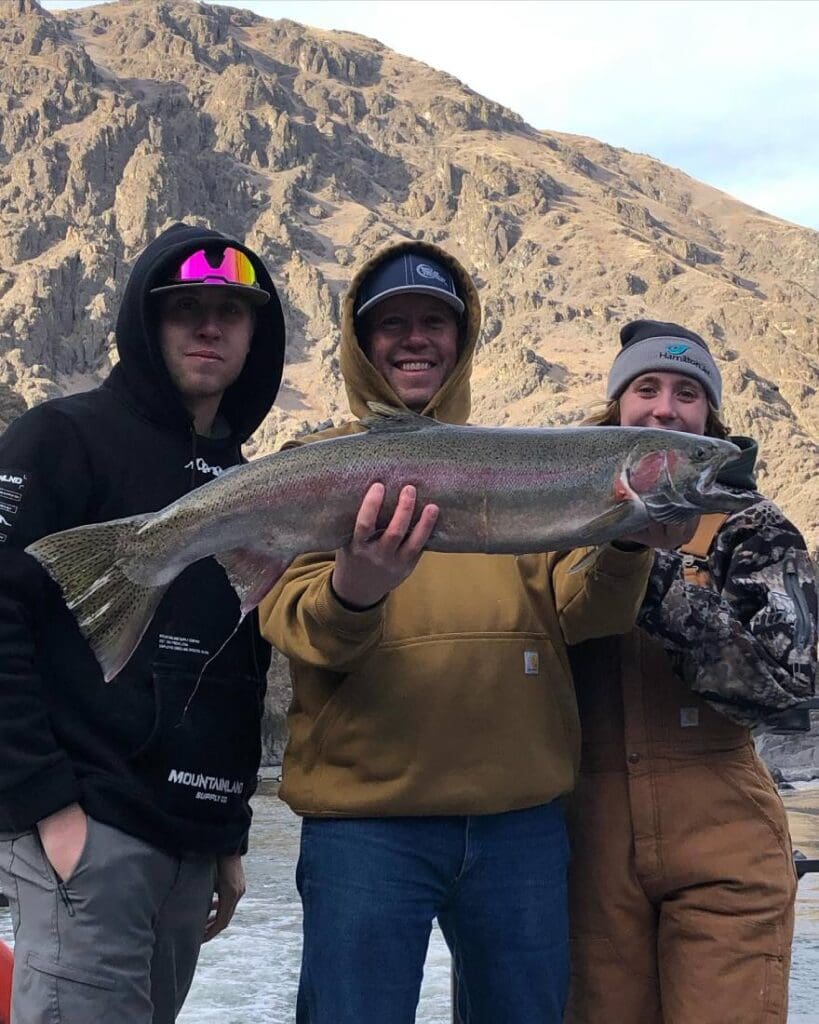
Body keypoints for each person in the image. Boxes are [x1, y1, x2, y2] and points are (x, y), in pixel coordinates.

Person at [258, 242, 659, 1024]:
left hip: (521, 825)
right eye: (393, 324)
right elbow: (294, 628)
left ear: (462, 338)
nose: (415, 338)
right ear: (360, 344)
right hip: (364, 827)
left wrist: (627, 547)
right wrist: (356, 589)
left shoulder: (530, 468)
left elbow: (580, 617)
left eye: (434, 322)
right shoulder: (309, 468)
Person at [0, 222, 286, 1023]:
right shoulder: (60, 437)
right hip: (88, 836)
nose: (208, 325)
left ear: (254, 335)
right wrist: (47, 808)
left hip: (190, 844)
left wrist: (227, 830)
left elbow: (239, 663)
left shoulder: (247, 480)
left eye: (231, 311)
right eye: (184, 307)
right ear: (143, 323)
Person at [563, 319, 818, 1024]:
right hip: (587, 846)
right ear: (617, 406)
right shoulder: (555, 516)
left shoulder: (749, 525)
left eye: (686, 393)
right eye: (645, 388)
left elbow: (787, 688)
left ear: (708, 416)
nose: (664, 407)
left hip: (723, 836)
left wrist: (647, 569)